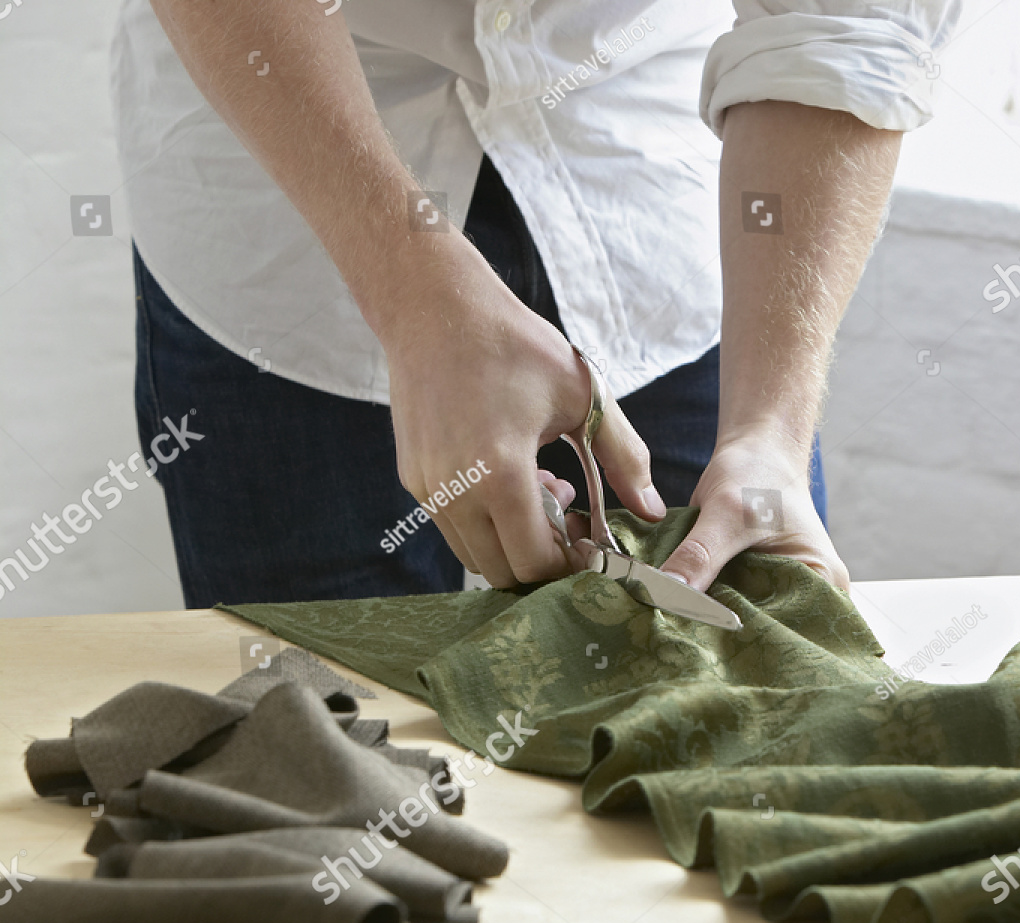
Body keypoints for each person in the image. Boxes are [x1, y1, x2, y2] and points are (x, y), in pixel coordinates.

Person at [116, 0, 957, 605]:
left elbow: (842, 24)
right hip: (290, 197)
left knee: (750, 681)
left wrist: (768, 434)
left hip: (656, 195)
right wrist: (415, 304)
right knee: (319, 747)